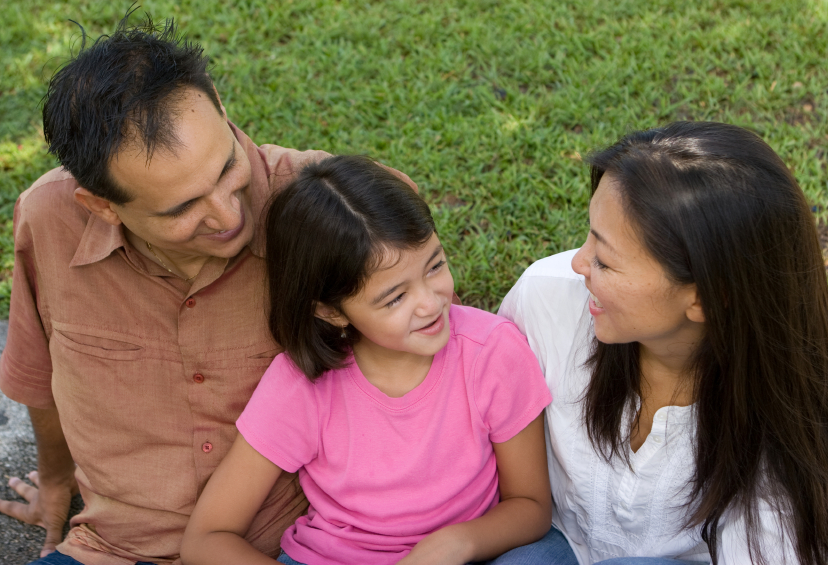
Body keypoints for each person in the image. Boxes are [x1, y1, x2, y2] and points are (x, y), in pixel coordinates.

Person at [0, 12, 419, 565]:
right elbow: (41, 376)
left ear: (218, 102)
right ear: (101, 206)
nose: (228, 214)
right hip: (114, 549)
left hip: (307, 546)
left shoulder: (337, 212)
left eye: (226, 168)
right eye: (183, 208)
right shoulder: (46, 221)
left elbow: (434, 376)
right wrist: (55, 482)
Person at [179, 155, 554, 565]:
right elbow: (207, 538)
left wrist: (453, 545)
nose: (431, 304)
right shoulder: (301, 384)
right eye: (395, 297)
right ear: (331, 311)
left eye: (435, 266)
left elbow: (531, 507)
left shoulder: (493, 353)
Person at [498, 121, 828, 565]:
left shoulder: (793, 411)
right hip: (554, 540)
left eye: (604, 260)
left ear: (706, 298)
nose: (579, 263)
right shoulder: (546, 299)